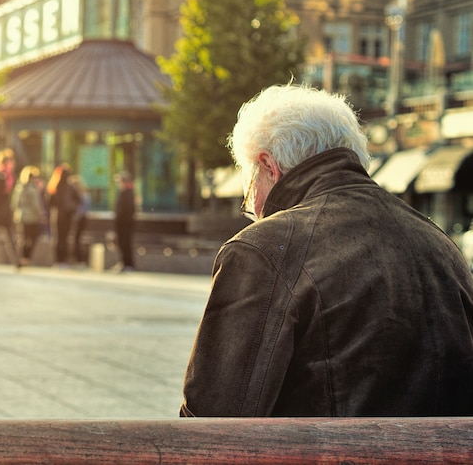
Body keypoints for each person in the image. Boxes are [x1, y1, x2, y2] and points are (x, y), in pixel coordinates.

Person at [181, 84, 473, 417]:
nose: (253, 208)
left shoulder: (263, 249)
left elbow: (213, 418)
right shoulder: (440, 244)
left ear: (268, 166)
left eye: (249, 191)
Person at [46, 164, 81, 268]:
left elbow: (49, 202)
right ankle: (64, 260)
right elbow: (79, 200)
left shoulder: (54, 186)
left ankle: (58, 260)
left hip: (57, 216)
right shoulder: (70, 187)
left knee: (58, 238)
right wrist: (71, 208)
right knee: (64, 238)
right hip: (67, 216)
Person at [12, 165, 46, 266]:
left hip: (20, 216)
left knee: (23, 237)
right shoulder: (32, 188)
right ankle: (26, 258)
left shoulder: (19, 187)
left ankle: (22, 258)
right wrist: (41, 215)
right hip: (31, 217)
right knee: (32, 238)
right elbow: (36, 204)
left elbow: (14, 203)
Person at [113, 171, 135, 272]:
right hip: (121, 223)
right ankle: (124, 263)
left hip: (125, 224)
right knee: (122, 243)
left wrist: (122, 220)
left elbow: (128, 210)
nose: (118, 184)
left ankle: (128, 264)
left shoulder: (128, 194)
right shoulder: (123, 193)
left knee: (125, 243)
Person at [70, 175, 90, 266]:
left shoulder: (82, 196)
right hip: (81, 218)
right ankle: (77, 258)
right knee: (76, 239)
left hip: (80, 219)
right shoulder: (83, 195)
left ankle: (79, 259)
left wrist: (75, 217)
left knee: (78, 239)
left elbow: (82, 209)